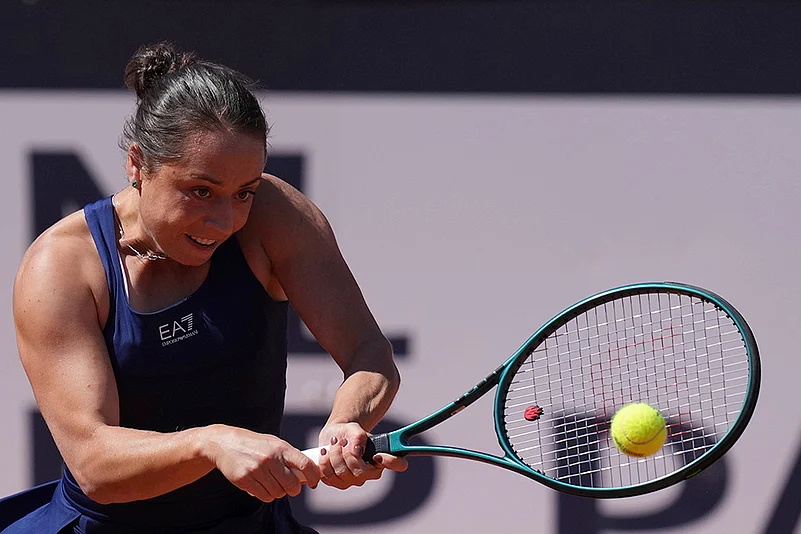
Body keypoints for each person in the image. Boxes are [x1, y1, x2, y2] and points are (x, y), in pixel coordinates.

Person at [2, 42, 407, 533]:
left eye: (244, 193)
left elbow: (368, 351)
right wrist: (211, 443)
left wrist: (347, 423)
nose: (223, 220)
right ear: (137, 164)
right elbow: (94, 464)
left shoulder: (274, 216)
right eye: (200, 191)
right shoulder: (62, 265)